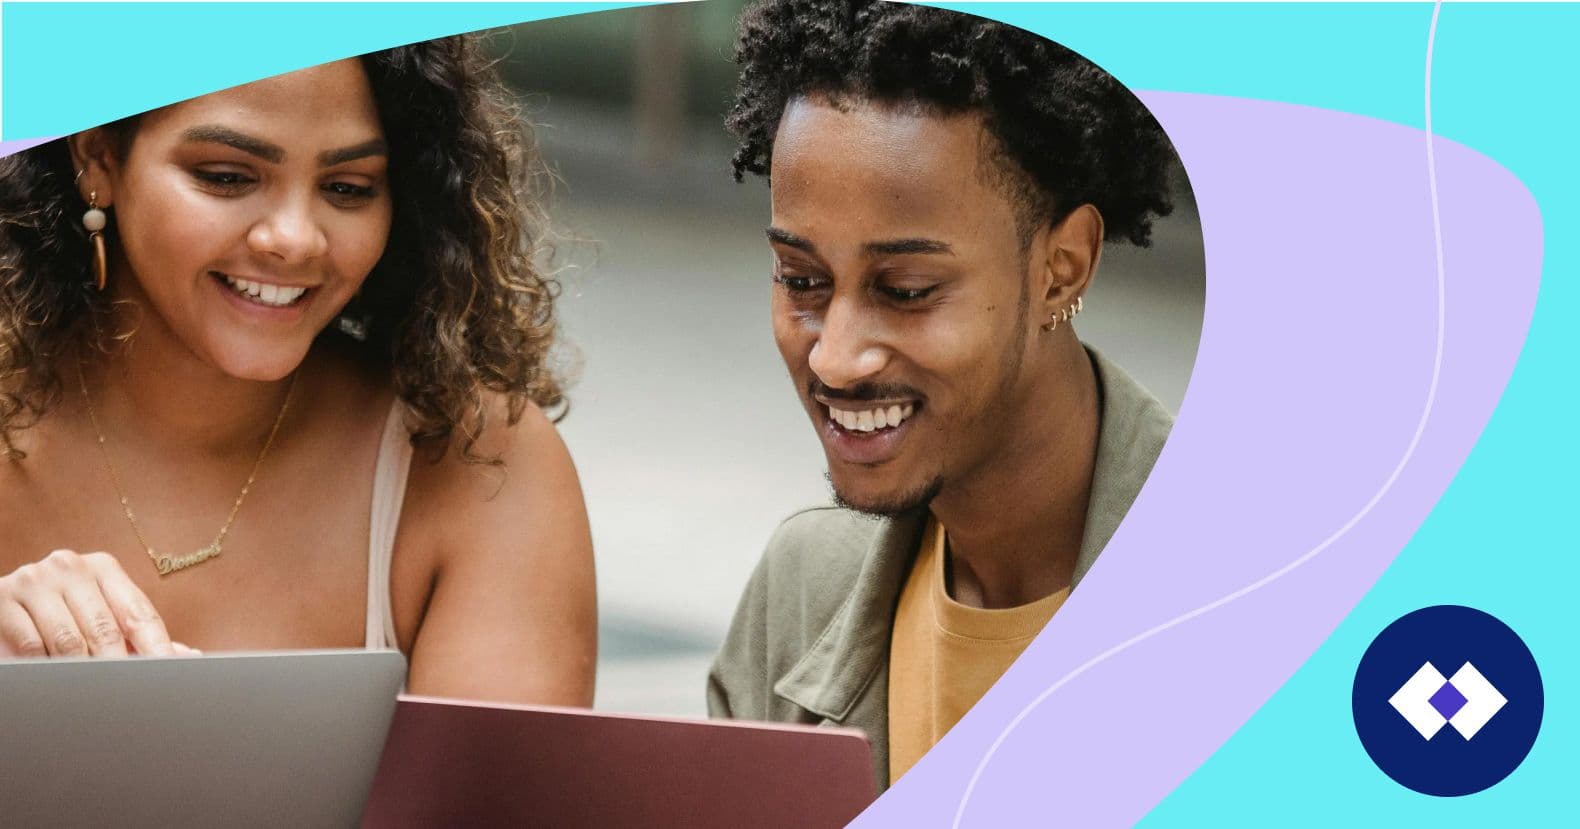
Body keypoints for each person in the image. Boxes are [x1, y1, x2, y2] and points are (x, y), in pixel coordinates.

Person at [0, 36, 597, 706]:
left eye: (348, 188)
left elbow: (497, 808)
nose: (294, 238)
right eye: (227, 176)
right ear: (99, 158)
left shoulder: (477, 464)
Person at [707, 0, 1179, 789]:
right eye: (801, 280)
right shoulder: (802, 590)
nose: (837, 355)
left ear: (1060, 268)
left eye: (908, 288)